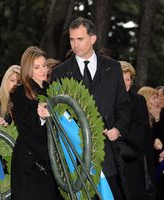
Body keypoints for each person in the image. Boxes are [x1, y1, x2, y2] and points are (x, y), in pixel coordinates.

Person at [50, 17, 131, 199]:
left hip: (107, 155)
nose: (75, 44)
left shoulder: (113, 68)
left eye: (80, 39)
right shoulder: (59, 73)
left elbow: (123, 105)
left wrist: (118, 129)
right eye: (72, 39)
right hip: (74, 156)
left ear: (93, 39)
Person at [10, 46, 57, 200]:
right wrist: (42, 118)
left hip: (50, 160)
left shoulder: (52, 90)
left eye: (44, 66)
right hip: (30, 161)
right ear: (28, 69)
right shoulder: (20, 92)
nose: (42, 70)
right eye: (37, 67)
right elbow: (25, 129)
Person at [120, 61, 156, 200]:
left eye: (128, 79)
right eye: (122, 80)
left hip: (132, 163)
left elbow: (140, 134)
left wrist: (117, 131)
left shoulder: (138, 101)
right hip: (111, 165)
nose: (126, 83)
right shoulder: (107, 99)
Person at [138, 86, 164, 200]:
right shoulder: (141, 120)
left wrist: (158, 118)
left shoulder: (158, 116)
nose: (158, 101)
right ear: (146, 100)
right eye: (154, 98)